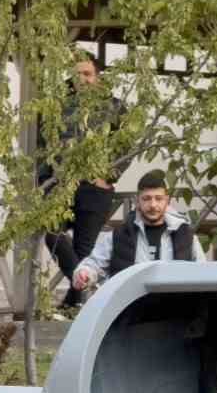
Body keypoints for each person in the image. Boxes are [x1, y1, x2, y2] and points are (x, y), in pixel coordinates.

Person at [40, 52, 119, 312]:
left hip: (95, 188)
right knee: (52, 234)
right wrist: (42, 181)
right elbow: (41, 145)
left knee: (84, 247)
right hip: (60, 184)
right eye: (77, 74)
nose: (82, 79)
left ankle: (74, 302)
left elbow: (127, 144)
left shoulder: (114, 107)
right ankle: (81, 292)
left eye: (87, 74)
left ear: (97, 77)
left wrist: (109, 175)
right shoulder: (56, 106)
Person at [71, 168, 205, 294]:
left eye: (158, 198)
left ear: (167, 200)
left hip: (178, 313)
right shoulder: (117, 236)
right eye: (146, 199)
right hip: (129, 313)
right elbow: (93, 265)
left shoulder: (187, 236)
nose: (153, 205)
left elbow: (203, 274)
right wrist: (83, 274)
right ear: (137, 201)